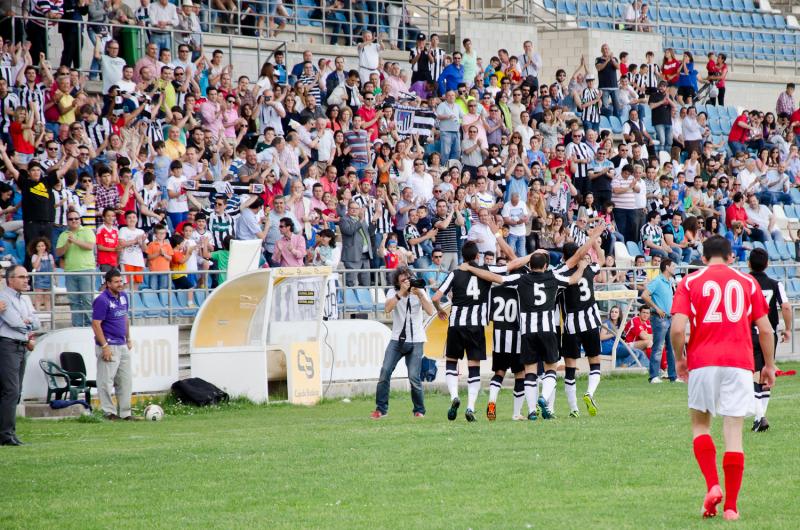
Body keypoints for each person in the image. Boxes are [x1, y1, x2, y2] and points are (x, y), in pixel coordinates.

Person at [670, 235, 776, 521]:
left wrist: (680, 359)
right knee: (733, 434)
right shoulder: (747, 282)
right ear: (731, 257)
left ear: (703, 258)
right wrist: (769, 365)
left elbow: (678, 328)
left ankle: (712, 485)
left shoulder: (690, 282)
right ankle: (731, 508)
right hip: (739, 363)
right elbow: (766, 330)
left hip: (703, 362)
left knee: (700, 426)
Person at [432, 239, 510, 422]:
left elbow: (436, 297)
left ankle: (454, 397)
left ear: (462, 256)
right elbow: (500, 278)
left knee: (451, 362)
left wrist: (439, 309)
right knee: (473, 367)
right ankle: (470, 407)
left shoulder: (455, 273)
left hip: (456, 325)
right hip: (476, 326)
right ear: (477, 256)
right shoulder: (485, 272)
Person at [555, 223, 609, 418]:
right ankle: (589, 392)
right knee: (594, 362)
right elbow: (602, 259)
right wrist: (593, 240)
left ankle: (574, 409)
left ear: (563, 256)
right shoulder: (589, 268)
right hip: (591, 321)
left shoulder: (560, 272)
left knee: (570, 368)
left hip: (571, 324)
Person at [371, 267, 435, 419]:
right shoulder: (393, 292)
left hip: (417, 340)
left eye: (408, 279)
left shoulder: (420, 291)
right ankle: (381, 409)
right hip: (397, 340)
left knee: (414, 377)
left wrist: (419, 294)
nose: (406, 282)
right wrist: (401, 293)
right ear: (397, 283)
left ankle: (419, 410)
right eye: (402, 281)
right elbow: (387, 309)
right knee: (385, 372)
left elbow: (430, 311)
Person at [747, 248, 792, 432]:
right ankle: (760, 417)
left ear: (749, 263)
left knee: (752, 375)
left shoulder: (744, 283)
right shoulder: (775, 284)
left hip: (748, 333)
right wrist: (788, 329)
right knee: (767, 372)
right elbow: (787, 307)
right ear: (767, 264)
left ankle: (759, 417)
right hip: (769, 333)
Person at [0, 266, 39, 446]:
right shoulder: (3, 297)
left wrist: (27, 322)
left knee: (15, 391)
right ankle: (6, 434)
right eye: (22, 277)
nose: (26, 280)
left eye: (27, 277)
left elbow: (36, 322)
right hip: (7, 346)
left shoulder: (24, 299)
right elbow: (15, 322)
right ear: (10, 279)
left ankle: (9, 432)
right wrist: (26, 322)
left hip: (21, 345)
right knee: (11, 390)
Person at [484, 260, 525, 421]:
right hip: (517, 337)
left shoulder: (495, 291)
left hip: (499, 336)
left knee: (499, 372)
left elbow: (489, 315)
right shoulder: (522, 291)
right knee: (519, 374)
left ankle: (492, 402)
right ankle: (516, 413)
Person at [92, 268, 134, 421]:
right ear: (108, 283)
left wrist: (128, 338)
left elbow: (125, 318)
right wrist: (104, 346)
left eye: (120, 281)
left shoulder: (123, 296)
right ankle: (108, 412)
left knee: (125, 380)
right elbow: (96, 324)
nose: (120, 284)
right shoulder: (102, 300)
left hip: (122, 343)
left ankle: (126, 413)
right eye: (116, 282)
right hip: (109, 345)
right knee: (105, 380)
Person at [56, 212, 97, 327]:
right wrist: (67, 244)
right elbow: (59, 252)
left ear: (80, 219)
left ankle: (91, 326)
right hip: (70, 271)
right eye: (71, 219)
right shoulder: (63, 234)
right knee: (74, 301)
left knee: (87, 300)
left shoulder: (87, 231)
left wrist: (73, 240)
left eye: (76, 218)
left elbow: (90, 247)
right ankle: (77, 326)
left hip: (86, 270)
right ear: (67, 221)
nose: (74, 221)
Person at [641, 258, 679, 383]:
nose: (675, 268)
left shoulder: (669, 281)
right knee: (658, 347)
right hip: (659, 318)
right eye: (673, 266)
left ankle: (673, 376)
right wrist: (657, 308)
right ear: (667, 267)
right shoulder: (657, 281)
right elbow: (644, 295)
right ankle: (653, 376)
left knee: (671, 348)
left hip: (669, 317)